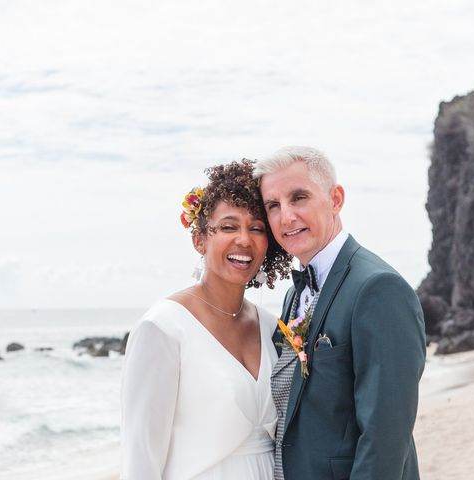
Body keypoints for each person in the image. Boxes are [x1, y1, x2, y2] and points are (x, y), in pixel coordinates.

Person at [254, 146, 426, 480]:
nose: (286, 217)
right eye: (273, 205)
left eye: (299, 197)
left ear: (335, 199)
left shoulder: (379, 289)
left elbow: (385, 437)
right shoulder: (294, 295)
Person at [121, 160, 292, 479]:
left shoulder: (271, 328)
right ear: (199, 239)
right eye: (228, 226)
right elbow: (141, 455)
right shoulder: (163, 328)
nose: (244, 239)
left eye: (256, 228)